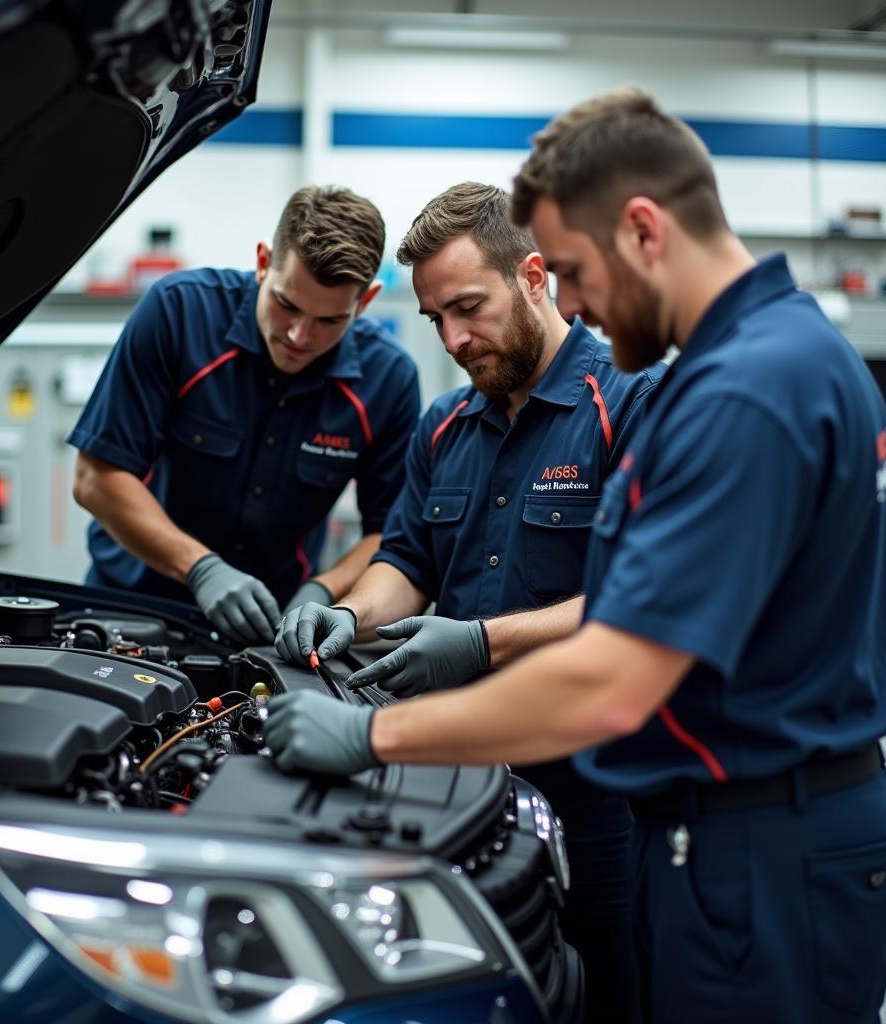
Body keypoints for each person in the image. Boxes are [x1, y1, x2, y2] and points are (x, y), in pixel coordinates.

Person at [264, 90, 886, 1024]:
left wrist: (375, 733)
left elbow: (612, 671)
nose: (568, 302)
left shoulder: (744, 390)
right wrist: (351, 610)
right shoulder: (793, 354)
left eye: (567, 270)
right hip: (727, 821)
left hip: (758, 832)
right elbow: (417, 557)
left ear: (641, 229)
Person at [276, 181, 662, 1023]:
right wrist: (351, 613)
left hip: (597, 798)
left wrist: (483, 642)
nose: (454, 339)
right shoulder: (446, 424)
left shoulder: (630, 405)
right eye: (435, 320)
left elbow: (643, 597)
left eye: (469, 308)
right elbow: (406, 559)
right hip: (456, 790)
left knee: (611, 1000)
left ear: (533, 275)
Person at [68, 186, 420, 644]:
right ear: (262, 262)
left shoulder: (387, 379)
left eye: (329, 320)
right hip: (131, 610)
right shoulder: (178, 313)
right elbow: (96, 477)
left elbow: (389, 535)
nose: (299, 335)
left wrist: (324, 591)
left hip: (271, 632)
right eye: (287, 303)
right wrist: (201, 568)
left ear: (366, 302)